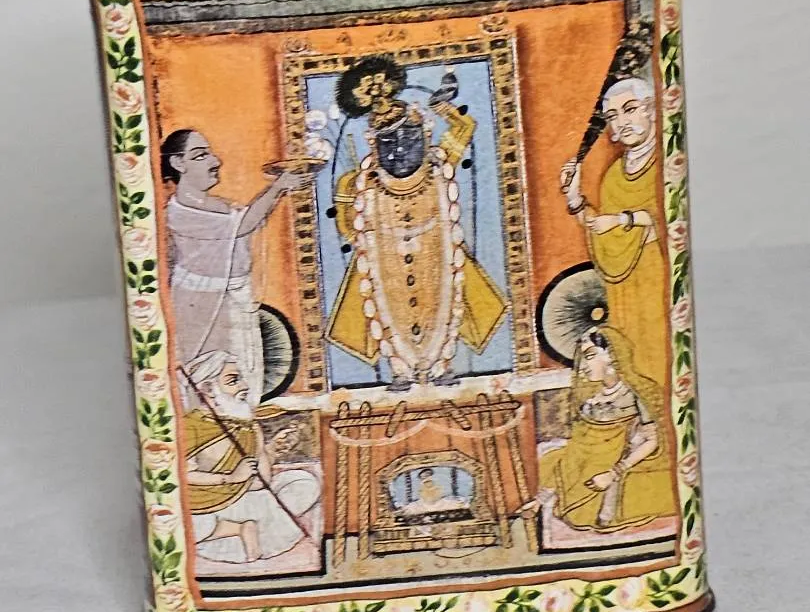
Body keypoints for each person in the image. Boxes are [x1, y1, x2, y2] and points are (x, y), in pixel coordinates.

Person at [326, 56, 507, 389]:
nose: (399, 148)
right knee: (388, 306)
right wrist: (356, 217)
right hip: (386, 259)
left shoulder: (438, 163)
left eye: (407, 134)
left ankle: (442, 366)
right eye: (388, 140)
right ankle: (400, 371)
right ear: (373, 143)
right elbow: (347, 227)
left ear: (422, 132)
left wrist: (442, 108)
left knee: (444, 299)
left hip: (434, 250)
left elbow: (465, 128)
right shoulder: (359, 182)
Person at [161, 129, 308, 405]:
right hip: (204, 306)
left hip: (235, 298)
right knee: (211, 379)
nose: (215, 161)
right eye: (201, 156)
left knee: (244, 374)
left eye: (210, 154)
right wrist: (277, 187)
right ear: (178, 163)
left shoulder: (218, 205)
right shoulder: (179, 212)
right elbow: (244, 225)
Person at [560, 75, 667, 386]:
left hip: (660, 280)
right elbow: (604, 236)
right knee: (632, 357)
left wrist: (623, 220)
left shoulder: (668, 163)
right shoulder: (614, 177)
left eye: (630, 109)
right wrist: (575, 198)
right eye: (613, 116)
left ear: (651, 109)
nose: (622, 122)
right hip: (625, 289)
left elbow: (670, 220)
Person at [182, 351, 320, 565]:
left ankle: (249, 528)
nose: (244, 386)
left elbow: (260, 482)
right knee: (181, 523)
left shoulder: (248, 424)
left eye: (241, 379)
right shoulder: (191, 425)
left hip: (244, 499)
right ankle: (237, 530)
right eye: (233, 381)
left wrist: (271, 451)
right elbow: (180, 475)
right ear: (208, 389)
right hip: (206, 507)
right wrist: (231, 478)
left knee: (304, 482)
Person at [538, 327, 676, 532]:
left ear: (612, 354)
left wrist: (612, 474)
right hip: (586, 460)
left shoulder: (638, 391)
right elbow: (582, 443)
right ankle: (544, 499)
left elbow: (652, 441)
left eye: (590, 356)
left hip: (616, 463)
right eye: (582, 359)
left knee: (589, 508)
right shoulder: (593, 395)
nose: (583, 366)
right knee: (549, 457)